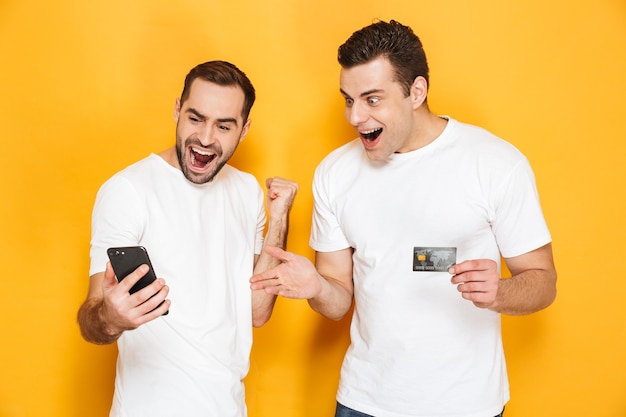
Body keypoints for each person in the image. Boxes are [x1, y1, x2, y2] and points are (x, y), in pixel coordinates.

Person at [250, 20, 557, 417]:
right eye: (348, 99)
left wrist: (500, 291)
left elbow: (543, 281)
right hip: (364, 401)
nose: (355, 116)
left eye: (372, 99)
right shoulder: (335, 173)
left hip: (467, 404)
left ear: (416, 91)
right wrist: (316, 287)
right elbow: (338, 300)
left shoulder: (495, 163)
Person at [77, 60, 298, 417]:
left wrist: (280, 218)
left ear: (243, 130)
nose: (206, 138)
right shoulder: (128, 190)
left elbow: (257, 312)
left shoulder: (247, 192)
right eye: (196, 118)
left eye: (224, 125)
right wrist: (113, 317)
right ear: (178, 110)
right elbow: (92, 320)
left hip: (228, 407)